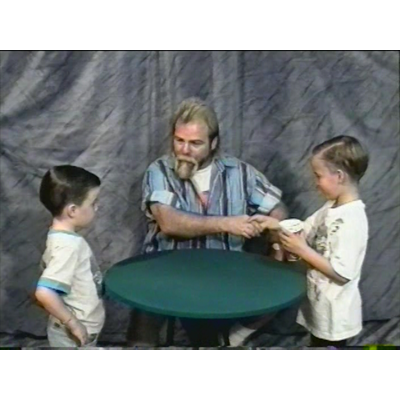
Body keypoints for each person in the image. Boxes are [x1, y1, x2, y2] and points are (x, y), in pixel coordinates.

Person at [127, 97, 287, 347]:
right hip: (164, 273)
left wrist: (274, 238)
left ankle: (224, 340)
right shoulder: (159, 171)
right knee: (139, 345)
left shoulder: (240, 172)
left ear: (213, 143)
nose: (184, 150)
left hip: (220, 278)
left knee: (213, 344)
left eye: (195, 143)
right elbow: (169, 222)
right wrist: (228, 224)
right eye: (179, 140)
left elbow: (277, 210)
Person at [252, 136, 369, 347]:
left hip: (335, 316)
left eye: (318, 176)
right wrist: (275, 225)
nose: (315, 183)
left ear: (339, 176)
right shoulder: (331, 207)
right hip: (320, 308)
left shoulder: (352, 220)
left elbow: (342, 274)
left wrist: (302, 250)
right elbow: (305, 229)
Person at [35, 165, 105, 348]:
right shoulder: (69, 246)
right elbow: (45, 292)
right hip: (73, 335)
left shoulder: (59, 237)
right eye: (93, 203)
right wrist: (73, 324)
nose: (97, 207)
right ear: (72, 210)